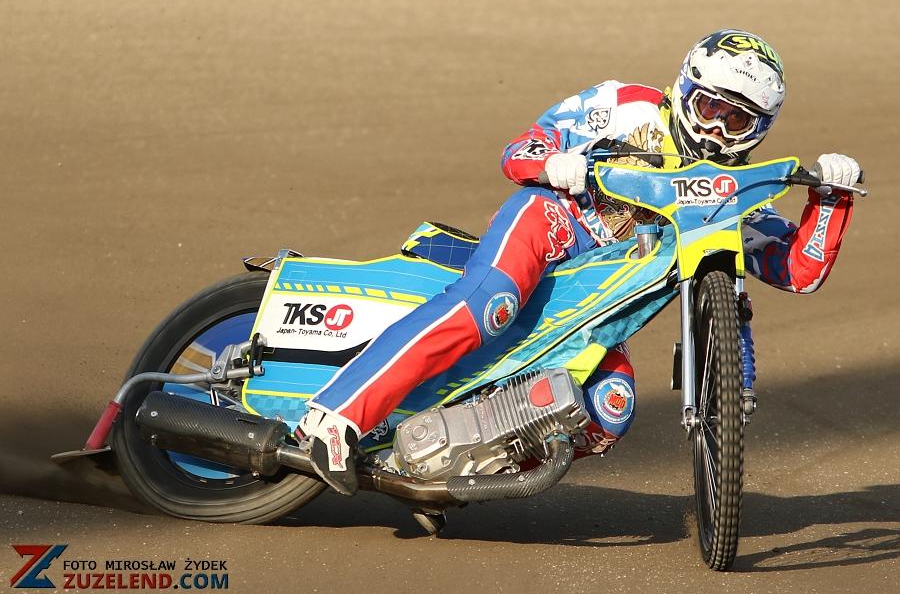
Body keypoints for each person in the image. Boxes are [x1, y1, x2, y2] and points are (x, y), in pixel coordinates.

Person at [296, 29, 861, 496]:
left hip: (597, 305)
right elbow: (521, 149)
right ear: (684, 89)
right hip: (553, 226)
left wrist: (830, 201)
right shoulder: (625, 104)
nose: (715, 130)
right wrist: (554, 163)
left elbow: (798, 270)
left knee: (609, 409)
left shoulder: (735, 200)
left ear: (760, 130)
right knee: (488, 306)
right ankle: (335, 417)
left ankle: (443, 466)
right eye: (708, 108)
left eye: (735, 122)